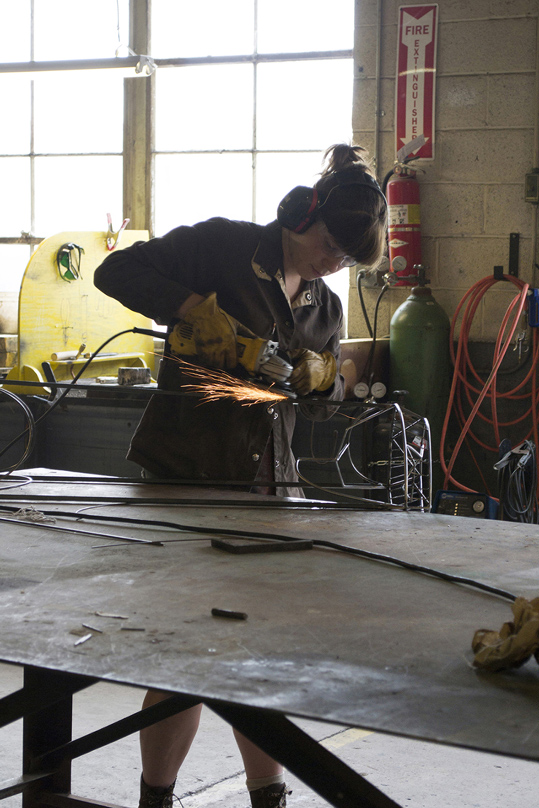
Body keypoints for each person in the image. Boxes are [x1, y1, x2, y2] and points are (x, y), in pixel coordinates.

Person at [93, 143, 387, 808]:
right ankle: (156, 799)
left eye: (347, 257)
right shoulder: (221, 248)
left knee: (259, 661)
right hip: (185, 478)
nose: (335, 263)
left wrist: (323, 383)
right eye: (332, 247)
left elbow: (317, 398)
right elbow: (115, 272)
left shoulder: (323, 306)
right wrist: (189, 306)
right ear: (303, 219)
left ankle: (267, 799)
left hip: (269, 493)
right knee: (183, 655)